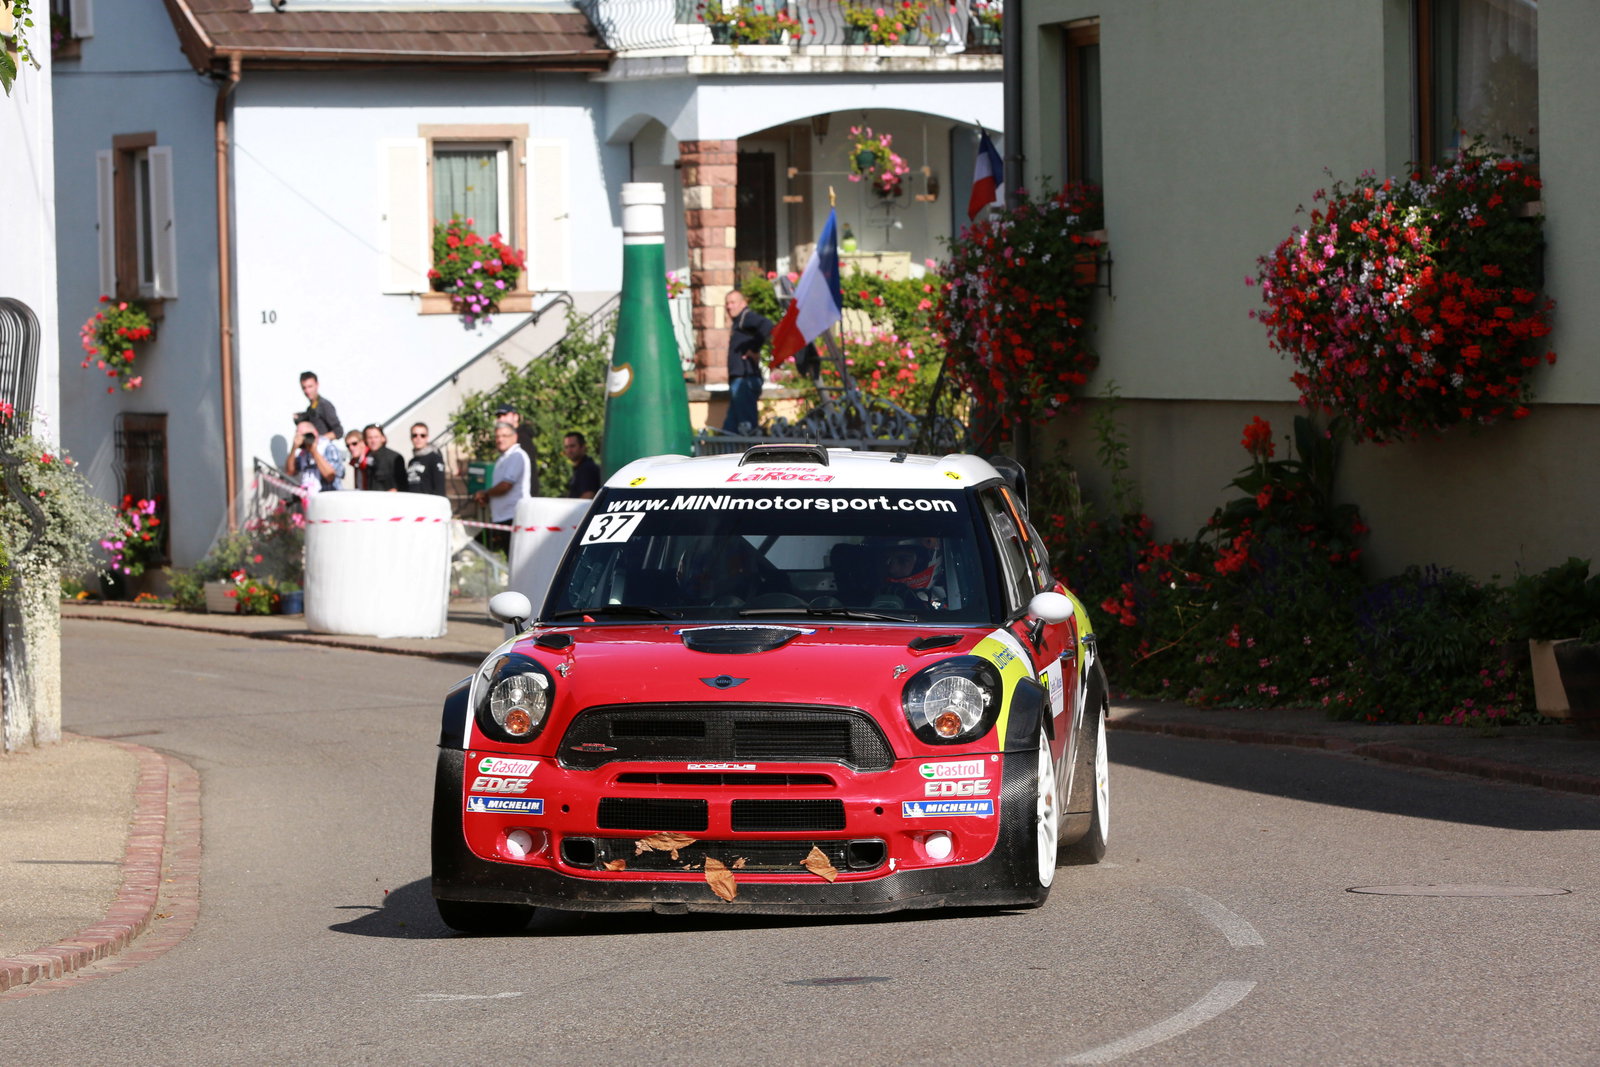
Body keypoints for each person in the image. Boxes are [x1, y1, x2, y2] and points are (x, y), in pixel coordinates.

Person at [473, 421, 530, 553]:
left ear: (514, 437)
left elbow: (505, 486)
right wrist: (487, 497)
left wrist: (486, 494)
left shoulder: (517, 455)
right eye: (497, 436)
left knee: (513, 558)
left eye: (504, 436)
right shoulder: (503, 458)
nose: (500, 440)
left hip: (513, 517)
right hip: (502, 517)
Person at [721, 288, 772, 434]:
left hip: (745, 379)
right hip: (740, 380)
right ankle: (728, 455)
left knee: (746, 428)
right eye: (727, 303)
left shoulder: (746, 317)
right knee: (730, 429)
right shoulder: (739, 321)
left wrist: (754, 349)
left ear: (743, 303)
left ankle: (754, 456)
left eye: (733, 302)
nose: (729, 306)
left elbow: (767, 325)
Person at [286, 416, 343, 496]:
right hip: (309, 499)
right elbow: (290, 472)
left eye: (308, 435)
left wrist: (314, 451)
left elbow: (330, 476)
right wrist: (294, 448)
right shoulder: (303, 453)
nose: (306, 438)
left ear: (315, 433)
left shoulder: (328, 447)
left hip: (327, 498)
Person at [493, 404, 540, 495]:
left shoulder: (522, 439)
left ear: (516, 417)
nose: (501, 419)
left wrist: (487, 494)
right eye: (499, 416)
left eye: (504, 415)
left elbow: (510, 481)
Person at [360, 424, 407, 492]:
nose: (373, 441)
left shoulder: (395, 458)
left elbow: (401, 486)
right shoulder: (367, 458)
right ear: (365, 440)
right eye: (370, 437)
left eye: (376, 437)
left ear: (383, 438)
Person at [405, 422, 447, 496]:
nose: (418, 438)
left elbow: (440, 489)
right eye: (414, 435)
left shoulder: (435, 458)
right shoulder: (412, 461)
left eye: (422, 435)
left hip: (428, 504)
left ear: (427, 437)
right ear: (411, 437)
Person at [299, 371, 343, 440]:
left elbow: (339, 431)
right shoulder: (310, 408)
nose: (307, 391)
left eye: (310, 386)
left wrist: (318, 441)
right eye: (304, 388)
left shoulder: (324, 405)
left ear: (317, 384)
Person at [564, 431, 601, 499]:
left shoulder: (587, 468)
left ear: (583, 447)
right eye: (566, 447)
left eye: (572, 446)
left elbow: (589, 495)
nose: (569, 450)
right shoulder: (579, 468)